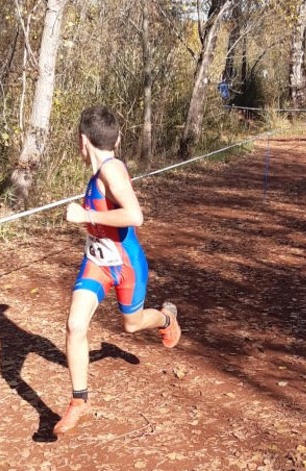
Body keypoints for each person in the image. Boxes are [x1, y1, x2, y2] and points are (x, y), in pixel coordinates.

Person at [55, 106, 181, 436]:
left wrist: (86, 217)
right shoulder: (100, 173)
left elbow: (134, 216)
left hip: (126, 265)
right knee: (74, 325)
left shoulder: (112, 172)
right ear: (118, 138)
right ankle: (79, 400)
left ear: (82, 142)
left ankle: (166, 318)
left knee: (132, 324)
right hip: (98, 263)